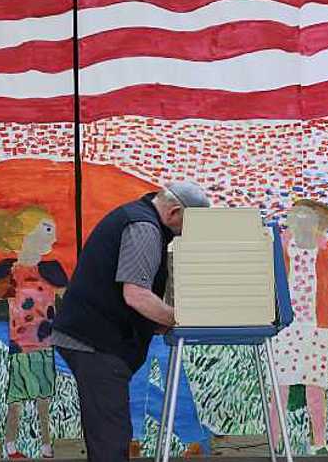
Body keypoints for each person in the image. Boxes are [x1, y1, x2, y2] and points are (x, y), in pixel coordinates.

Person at [51, 180, 210, 462]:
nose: (187, 233)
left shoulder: (136, 216)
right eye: (189, 224)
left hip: (89, 336)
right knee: (111, 438)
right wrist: (180, 319)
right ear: (174, 212)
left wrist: (160, 322)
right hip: (95, 342)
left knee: (107, 431)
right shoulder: (144, 228)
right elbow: (136, 295)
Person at [267, 199, 328, 455]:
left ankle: (318, 442)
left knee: (315, 385)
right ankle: (274, 442)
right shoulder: (279, 243)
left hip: (317, 325)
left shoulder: (326, 246)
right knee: (279, 385)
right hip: (285, 326)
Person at [0, 206, 69, 459]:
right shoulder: (10, 271)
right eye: (47, 230)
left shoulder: (51, 270)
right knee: (16, 399)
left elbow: (73, 301)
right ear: (26, 233)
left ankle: (46, 445)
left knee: (43, 400)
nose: (53, 239)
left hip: (44, 347)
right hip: (20, 347)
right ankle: (10, 444)